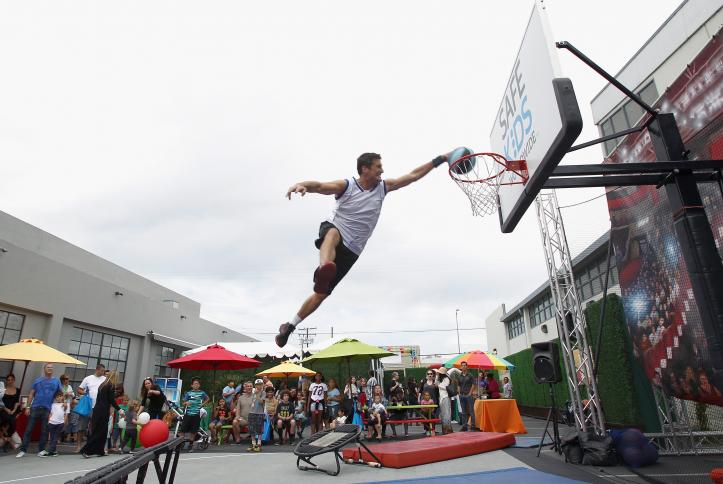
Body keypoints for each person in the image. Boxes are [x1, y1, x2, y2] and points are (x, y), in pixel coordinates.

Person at [275, 151, 450, 347]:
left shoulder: (384, 187)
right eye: (378, 167)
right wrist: (302, 185)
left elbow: (412, 176)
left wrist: (441, 159)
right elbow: (321, 186)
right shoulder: (347, 186)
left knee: (321, 294)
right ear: (364, 169)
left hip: (354, 249)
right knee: (332, 236)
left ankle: (289, 326)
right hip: (336, 228)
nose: (382, 170)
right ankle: (323, 268)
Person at [16, 363, 63, 458]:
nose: (50, 369)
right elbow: (31, 393)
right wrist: (28, 407)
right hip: (35, 407)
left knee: (44, 431)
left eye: (51, 368)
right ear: (44, 369)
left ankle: (41, 450)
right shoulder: (38, 380)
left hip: (47, 408)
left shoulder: (56, 381)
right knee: (28, 429)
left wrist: (64, 402)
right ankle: (23, 450)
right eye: (48, 367)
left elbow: (60, 393)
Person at [80, 370, 120, 458]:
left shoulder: (103, 385)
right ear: (115, 377)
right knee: (99, 431)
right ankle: (86, 450)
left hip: (97, 409)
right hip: (103, 411)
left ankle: (100, 450)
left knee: (102, 431)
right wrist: (119, 409)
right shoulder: (111, 385)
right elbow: (111, 400)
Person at [76, 363, 106, 450]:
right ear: (97, 370)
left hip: (98, 407)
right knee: (82, 426)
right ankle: (78, 446)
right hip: (87, 406)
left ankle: (90, 446)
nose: (103, 372)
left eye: (104, 371)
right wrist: (86, 393)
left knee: (94, 427)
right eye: (102, 371)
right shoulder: (88, 378)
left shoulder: (105, 379)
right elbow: (79, 389)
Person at [181, 377, 209, 453]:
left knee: (194, 431)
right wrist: (186, 403)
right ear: (192, 385)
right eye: (195, 384)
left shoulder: (202, 393)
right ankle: (180, 444)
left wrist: (202, 404)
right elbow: (183, 402)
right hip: (188, 413)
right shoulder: (188, 393)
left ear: (199, 385)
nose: (196, 385)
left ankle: (190, 446)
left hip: (197, 414)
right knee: (183, 430)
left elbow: (207, 398)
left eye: (197, 384)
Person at [44, 391, 67, 457]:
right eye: (57, 397)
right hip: (52, 422)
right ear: (55, 398)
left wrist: (64, 422)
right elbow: (50, 414)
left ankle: (49, 451)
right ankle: (54, 451)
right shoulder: (52, 404)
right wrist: (48, 421)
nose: (59, 398)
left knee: (55, 438)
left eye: (60, 396)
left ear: (62, 397)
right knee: (52, 437)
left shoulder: (64, 404)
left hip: (60, 423)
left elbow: (65, 413)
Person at [247, 379, 266, 452]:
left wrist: (257, 394)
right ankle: (253, 444)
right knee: (252, 429)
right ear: (255, 385)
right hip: (252, 412)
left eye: (261, 384)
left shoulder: (263, 393)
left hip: (260, 413)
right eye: (258, 384)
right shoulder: (252, 392)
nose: (259, 386)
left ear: (262, 385)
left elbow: (261, 402)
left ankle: (259, 444)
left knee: (259, 429)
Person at [457, 362, 476, 431]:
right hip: (462, 395)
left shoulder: (470, 375)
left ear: (467, 367)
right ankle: (464, 426)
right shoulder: (459, 376)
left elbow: (474, 384)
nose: (464, 367)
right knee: (463, 412)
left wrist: (470, 393)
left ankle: (473, 426)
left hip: (469, 395)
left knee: (471, 411)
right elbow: (458, 385)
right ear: (461, 367)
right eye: (462, 366)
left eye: (465, 365)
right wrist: (459, 393)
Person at [2, 374, 20, 439]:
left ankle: (7, 438)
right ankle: (5, 438)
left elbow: (17, 402)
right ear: (6, 381)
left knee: (13, 423)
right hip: (3, 409)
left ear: (14, 380)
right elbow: (0, 402)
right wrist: (6, 409)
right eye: (8, 380)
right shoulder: (2, 390)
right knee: (8, 420)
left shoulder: (18, 390)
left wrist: (13, 410)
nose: (10, 381)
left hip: (13, 410)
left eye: (12, 379)